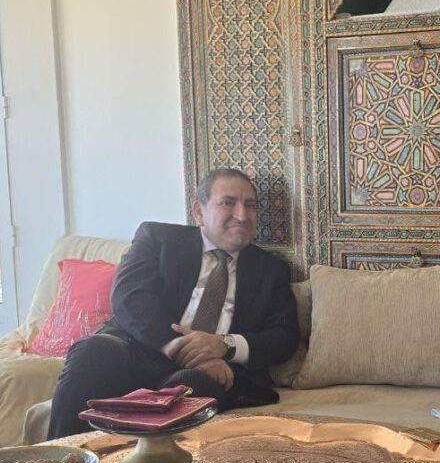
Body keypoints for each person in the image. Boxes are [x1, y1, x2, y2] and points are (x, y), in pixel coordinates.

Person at [47, 168, 299, 439]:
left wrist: (224, 345)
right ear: (199, 212)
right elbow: (130, 297)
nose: (242, 215)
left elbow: (284, 336)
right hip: (139, 350)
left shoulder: (271, 270)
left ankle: (140, 462)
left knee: (194, 385)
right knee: (93, 350)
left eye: (250, 206)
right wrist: (179, 347)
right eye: (228, 203)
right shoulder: (158, 239)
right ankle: (61, 456)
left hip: (206, 371)